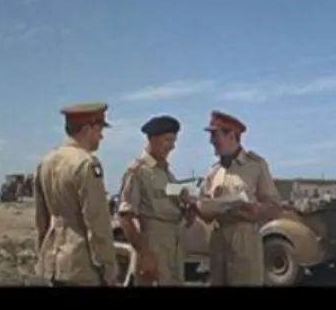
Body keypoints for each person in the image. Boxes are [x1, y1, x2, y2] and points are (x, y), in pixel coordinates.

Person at [190, 110, 282, 286]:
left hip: (245, 242)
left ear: (231, 135)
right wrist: (197, 205)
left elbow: (275, 207)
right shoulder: (214, 171)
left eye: (215, 135)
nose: (211, 142)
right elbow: (205, 211)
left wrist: (255, 209)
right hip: (218, 243)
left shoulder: (255, 166)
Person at [32, 102, 119, 286]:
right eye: (99, 129)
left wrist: (42, 252)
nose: (101, 136)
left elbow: (41, 220)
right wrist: (108, 267)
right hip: (81, 265)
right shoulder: (87, 164)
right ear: (87, 129)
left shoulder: (47, 162)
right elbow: (97, 222)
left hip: (53, 262)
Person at [116, 115, 194, 286]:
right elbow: (125, 217)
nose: (172, 146)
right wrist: (145, 255)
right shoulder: (138, 172)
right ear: (152, 139)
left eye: (174, 141)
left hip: (173, 248)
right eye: (168, 140)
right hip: (153, 247)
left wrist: (189, 209)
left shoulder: (166, 174)